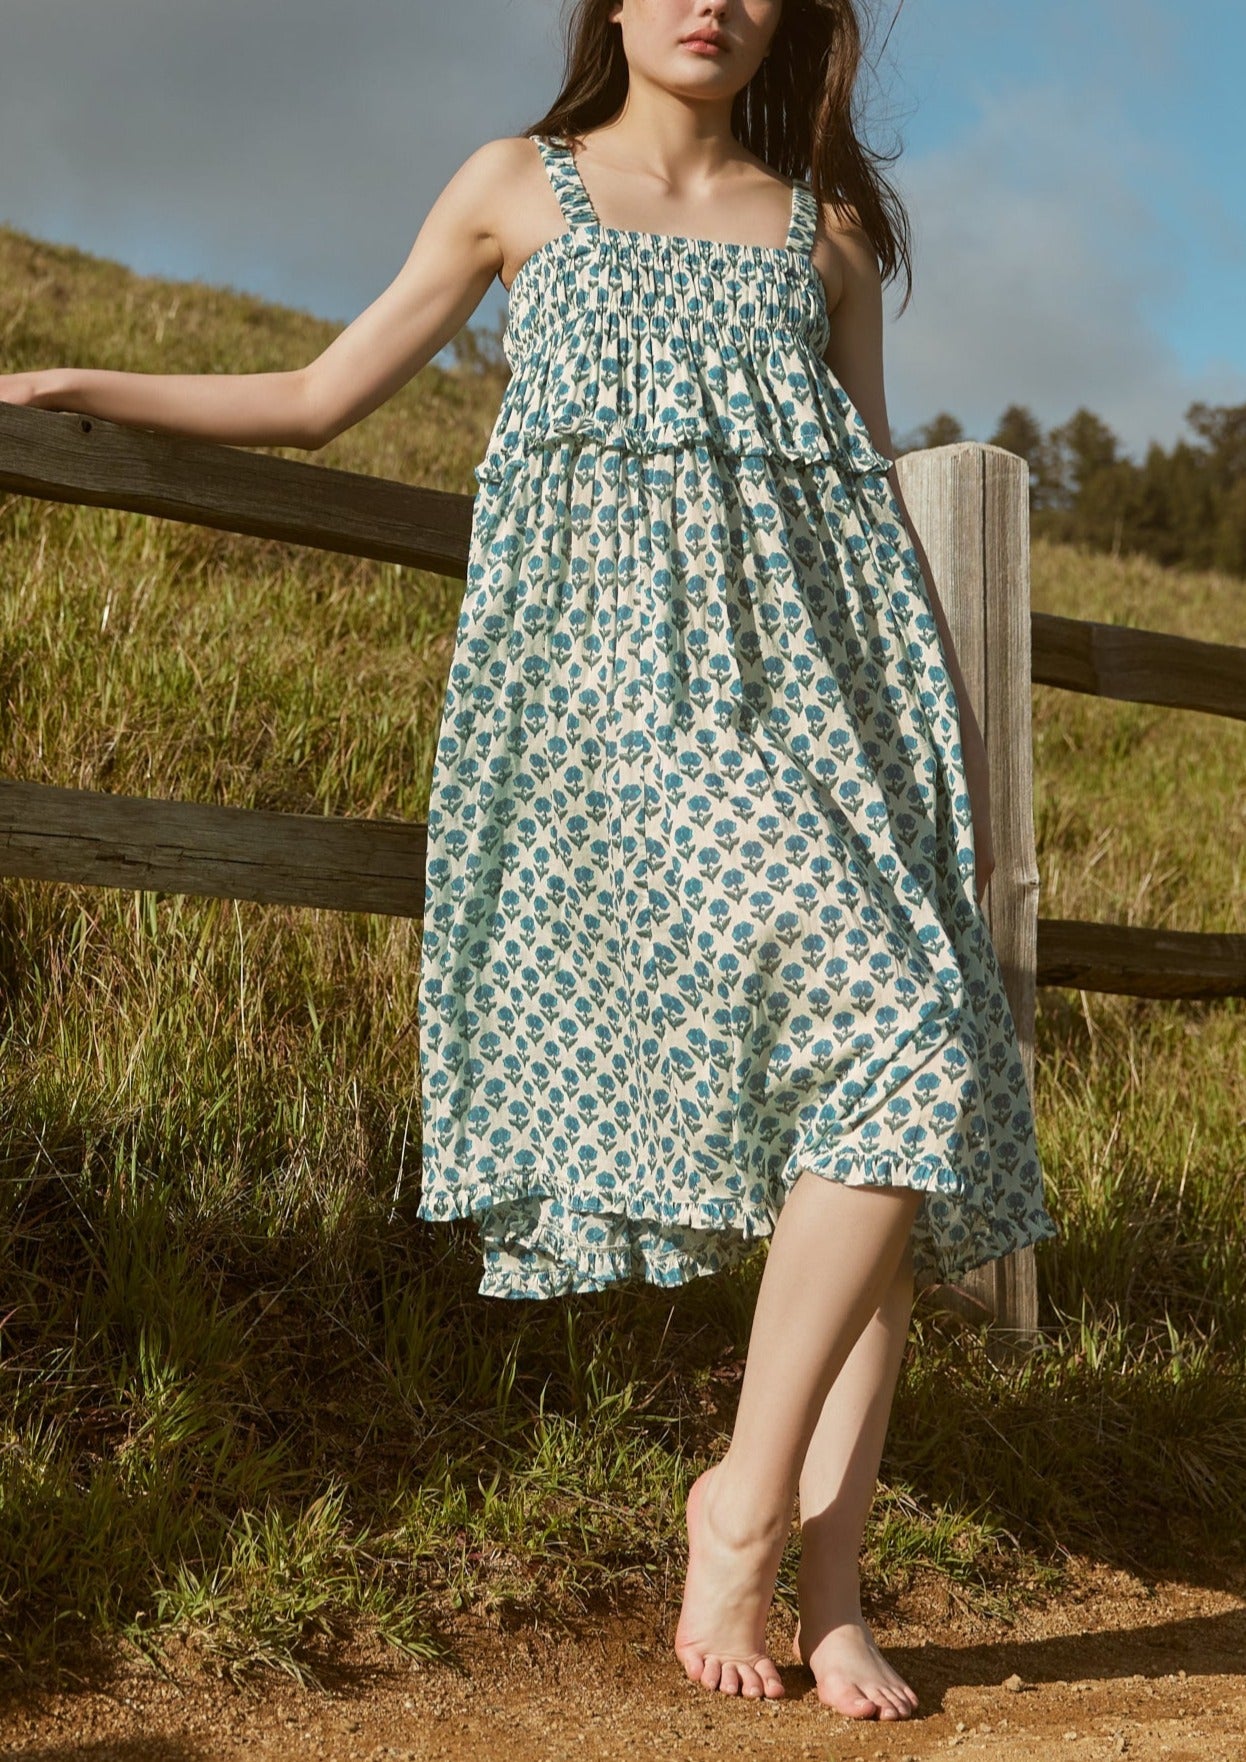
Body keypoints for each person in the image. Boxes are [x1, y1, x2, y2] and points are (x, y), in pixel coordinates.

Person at [0, 0, 1059, 1722]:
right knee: (896, 1042)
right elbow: (318, 393)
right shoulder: (516, 189)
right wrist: (64, 380)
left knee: (893, 1102)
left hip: (839, 718)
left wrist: (941, 770)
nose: (705, 1)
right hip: (620, 711)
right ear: (614, 9)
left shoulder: (829, 233)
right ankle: (738, 1505)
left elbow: (864, 502)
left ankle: (834, 1583)